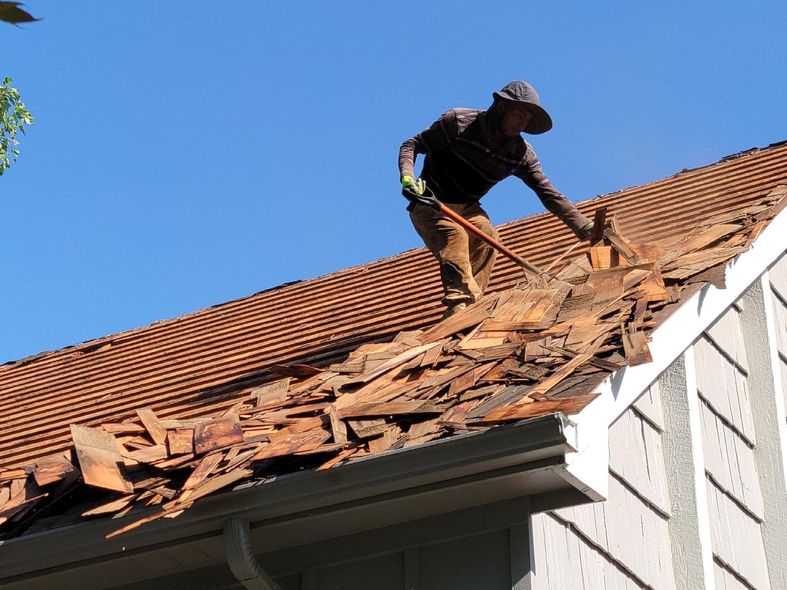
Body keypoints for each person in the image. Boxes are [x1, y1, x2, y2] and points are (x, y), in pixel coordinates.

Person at [399, 80, 593, 317]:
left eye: (528, 119)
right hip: (430, 202)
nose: (523, 123)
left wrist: (583, 226)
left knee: (489, 236)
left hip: (468, 207)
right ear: (501, 107)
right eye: (520, 114)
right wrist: (407, 177)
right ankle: (458, 303)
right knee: (456, 235)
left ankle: (472, 305)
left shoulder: (521, 155)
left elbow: (548, 193)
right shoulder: (458, 123)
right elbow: (413, 144)